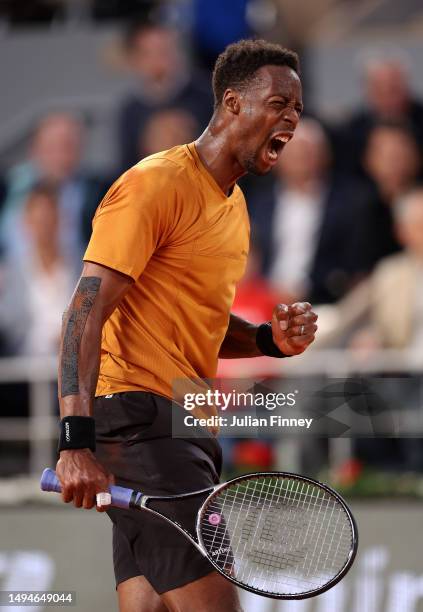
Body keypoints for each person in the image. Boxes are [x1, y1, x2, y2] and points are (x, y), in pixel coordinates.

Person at [55, 39, 318, 612]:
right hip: (140, 419)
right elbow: (85, 311)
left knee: (150, 606)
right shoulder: (155, 184)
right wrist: (74, 441)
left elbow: (199, 319)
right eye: (279, 104)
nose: (292, 119)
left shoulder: (235, 206)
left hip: (188, 419)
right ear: (232, 104)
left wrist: (269, 340)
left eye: (297, 109)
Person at [249, 117, 360, 304]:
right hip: (263, 299)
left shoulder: (350, 203)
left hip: (324, 303)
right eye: (293, 153)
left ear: (325, 156)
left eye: (308, 152)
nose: (300, 159)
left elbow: (352, 266)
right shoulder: (259, 202)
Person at [0, 112, 107, 270]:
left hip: (75, 281)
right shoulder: (8, 186)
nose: (60, 156)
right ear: (34, 148)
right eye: (51, 147)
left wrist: (87, 293)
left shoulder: (99, 192)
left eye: (67, 146)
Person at [117, 19, 213, 171]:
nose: (160, 61)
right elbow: (126, 171)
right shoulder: (130, 112)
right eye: (149, 54)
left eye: (165, 51)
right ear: (135, 59)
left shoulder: (207, 95)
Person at [0, 182, 75, 356]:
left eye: (50, 219)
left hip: (74, 365)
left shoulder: (82, 265)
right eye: (39, 220)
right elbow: (8, 324)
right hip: (23, 370)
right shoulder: (10, 272)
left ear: (60, 220)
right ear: (26, 223)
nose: (45, 227)